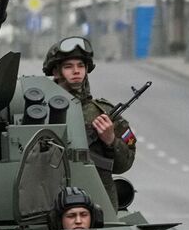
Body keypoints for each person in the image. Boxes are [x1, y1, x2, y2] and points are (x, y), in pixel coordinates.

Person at [42, 35, 136, 199]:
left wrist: (111, 140)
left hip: (98, 199)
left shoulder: (104, 112)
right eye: (69, 66)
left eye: (80, 65)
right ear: (56, 72)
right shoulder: (41, 110)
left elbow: (125, 164)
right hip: (49, 197)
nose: (76, 71)